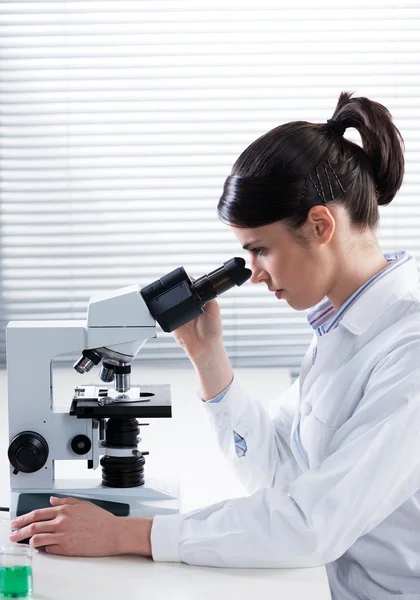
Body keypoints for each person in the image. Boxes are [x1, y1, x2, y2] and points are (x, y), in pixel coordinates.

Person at [9, 91, 420, 599]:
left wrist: (126, 534)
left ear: (320, 225)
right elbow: (278, 474)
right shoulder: (338, 329)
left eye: (260, 249)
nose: (255, 275)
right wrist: (208, 358)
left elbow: (311, 523)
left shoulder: (408, 349)